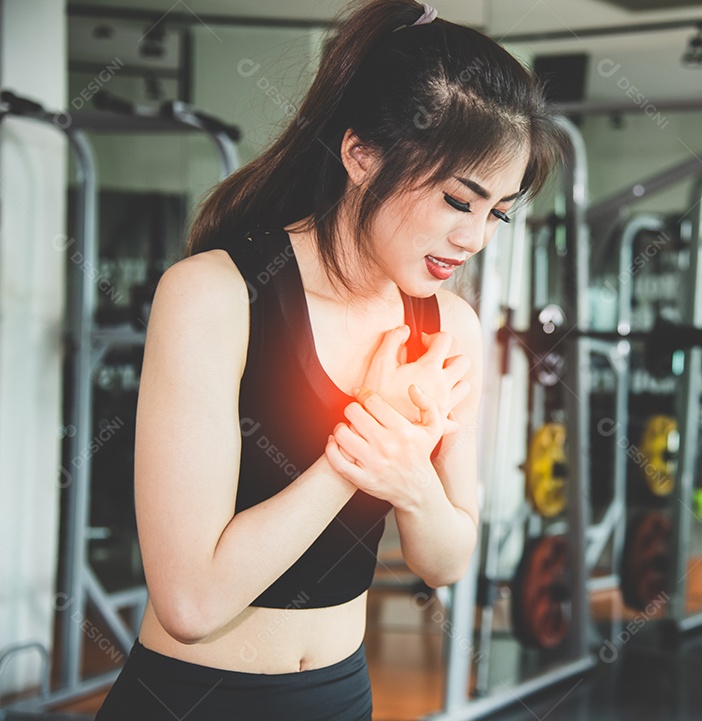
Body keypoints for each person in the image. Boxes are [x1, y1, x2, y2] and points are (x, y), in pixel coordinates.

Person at [93, 1, 568, 719]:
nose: (476, 237)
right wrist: (363, 445)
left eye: (497, 211)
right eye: (456, 200)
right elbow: (191, 601)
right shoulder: (215, 297)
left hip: (340, 695)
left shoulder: (450, 326)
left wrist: (411, 480)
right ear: (361, 155)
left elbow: (447, 560)